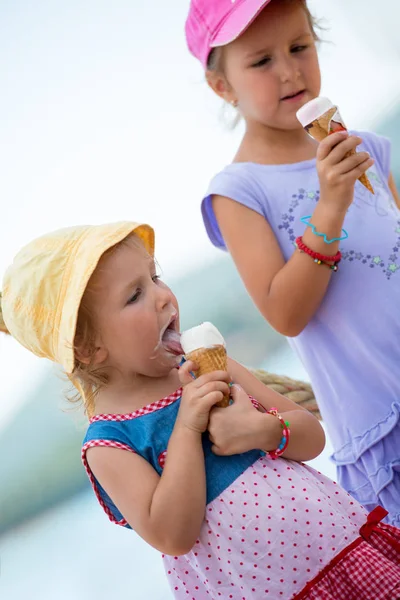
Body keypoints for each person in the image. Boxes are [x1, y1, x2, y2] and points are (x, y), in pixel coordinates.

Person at [1, 220, 400, 599]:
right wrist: (188, 429)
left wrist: (263, 430)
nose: (162, 296)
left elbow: (311, 435)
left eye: (155, 277)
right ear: (87, 349)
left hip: (348, 551)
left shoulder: (210, 365)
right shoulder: (110, 444)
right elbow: (172, 535)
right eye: (135, 295)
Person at [185, 0, 400, 525]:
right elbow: (286, 313)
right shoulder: (237, 191)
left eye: (300, 46)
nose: (289, 70)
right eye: (260, 61)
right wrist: (330, 206)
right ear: (223, 86)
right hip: (381, 425)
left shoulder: (369, 148)